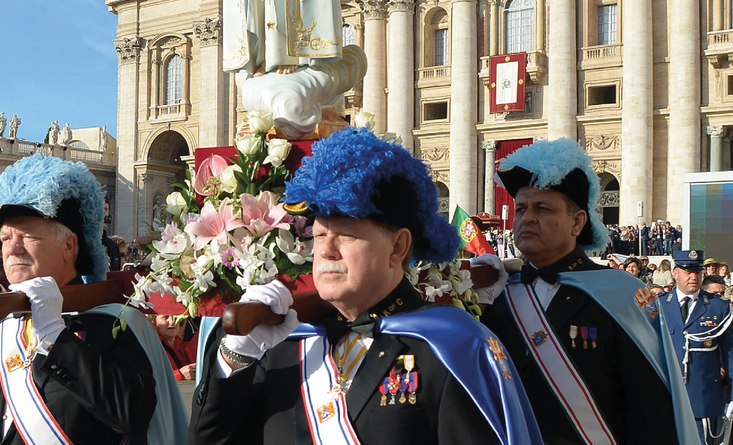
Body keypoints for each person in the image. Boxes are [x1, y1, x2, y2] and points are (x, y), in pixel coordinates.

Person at [188, 128, 540, 445]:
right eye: (320, 233)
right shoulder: (281, 345)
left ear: (398, 247)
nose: (325, 249)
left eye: (345, 234)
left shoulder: (456, 347)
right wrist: (236, 358)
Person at [0, 153, 187, 445]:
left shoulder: (116, 325)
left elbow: (133, 413)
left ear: (69, 246)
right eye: (6, 238)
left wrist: (58, 340)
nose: (13, 249)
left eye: (29, 236)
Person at [477, 138, 697, 444]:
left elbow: (649, 406)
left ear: (577, 222)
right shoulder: (498, 294)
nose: (527, 218)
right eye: (522, 208)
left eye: (542, 208)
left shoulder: (622, 293)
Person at [659, 250, 733, 443]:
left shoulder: (718, 307)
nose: (693, 276)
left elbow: (731, 354)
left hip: (704, 400)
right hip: (667, 398)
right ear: (675, 273)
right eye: (687, 271)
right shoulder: (658, 305)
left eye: (697, 271)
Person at [153, 314, 197, 381]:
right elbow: (149, 381)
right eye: (165, 317)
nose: (172, 321)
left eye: (176, 316)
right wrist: (179, 375)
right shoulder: (151, 348)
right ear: (153, 321)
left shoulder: (182, 345)